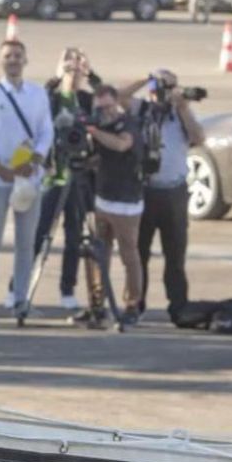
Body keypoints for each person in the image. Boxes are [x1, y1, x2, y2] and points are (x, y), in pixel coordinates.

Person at [0, 39, 54, 320]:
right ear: (0, 61)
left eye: (18, 55)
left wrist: (36, 160)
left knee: (26, 243)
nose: (13, 60)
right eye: (8, 56)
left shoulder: (37, 93)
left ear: (25, 60)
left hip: (29, 178)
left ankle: (21, 300)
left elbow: (46, 131)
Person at [119, 69, 205, 322]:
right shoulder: (141, 109)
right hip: (145, 190)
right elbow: (119, 96)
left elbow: (199, 138)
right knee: (138, 253)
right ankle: (135, 304)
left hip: (174, 192)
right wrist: (146, 78)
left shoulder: (180, 115)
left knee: (175, 255)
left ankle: (178, 306)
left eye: (167, 88)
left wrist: (183, 106)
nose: (161, 94)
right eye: (159, 88)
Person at [38, 47, 100, 311]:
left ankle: (67, 289)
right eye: (68, 70)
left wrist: (92, 74)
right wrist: (57, 75)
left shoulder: (86, 100)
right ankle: (17, 286)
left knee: (74, 236)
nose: (73, 75)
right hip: (52, 177)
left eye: (77, 71)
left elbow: (109, 101)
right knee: (39, 235)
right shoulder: (49, 99)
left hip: (78, 177)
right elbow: (37, 105)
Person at [83, 85, 143, 326]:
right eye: (100, 108)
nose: (105, 112)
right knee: (97, 254)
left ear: (116, 103)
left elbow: (121, 145)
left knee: (129, 256)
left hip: (126, 202)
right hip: (102, 199)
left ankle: (132, 305)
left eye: (108, 107)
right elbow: (96, 157)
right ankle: (97, 304)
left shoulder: (127, 124)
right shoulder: (99, 126)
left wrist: (93, 131)